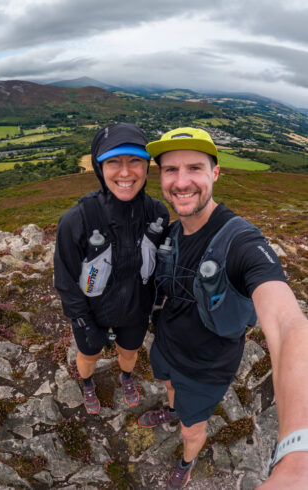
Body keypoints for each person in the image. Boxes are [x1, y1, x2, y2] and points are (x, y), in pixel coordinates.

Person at [138, 127, 308, 490]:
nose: (181, 182)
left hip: (206, 368)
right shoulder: (170, 234)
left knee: (191, 427)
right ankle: (171, 409)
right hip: (167, 347)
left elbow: (286, 323)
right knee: (167, 384)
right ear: (161, 177)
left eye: (195, 168)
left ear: (215, 173)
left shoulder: (242, 242)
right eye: (170, 170)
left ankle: (188, 458)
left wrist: (299, 454)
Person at [54, 122, 169, 415]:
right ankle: (88, 383)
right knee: (88, 355)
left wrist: (158, 305)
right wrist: (80, 319)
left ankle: (126, 376)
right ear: (99, 167)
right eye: (114, 162)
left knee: (129, 353)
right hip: (92, 312)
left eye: (135, 162)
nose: (126, 172)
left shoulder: (157, 213)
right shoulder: (76, 220)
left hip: (135, 310)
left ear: (146, 166)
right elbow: (65, 278)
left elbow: (160, 264)